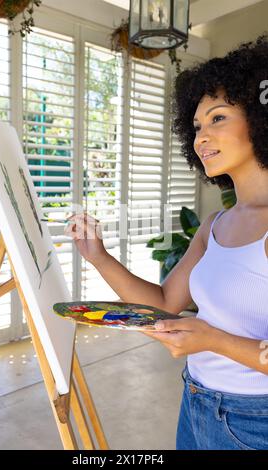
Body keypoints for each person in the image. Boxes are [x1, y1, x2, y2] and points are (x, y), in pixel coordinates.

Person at [65, 34, 268, 450]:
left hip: (252, 421)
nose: (201, 137)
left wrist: (212, 340)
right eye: (196, 127)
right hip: (196, 400)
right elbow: (162, 303)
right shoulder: (215, 224)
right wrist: (98, 257)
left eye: (218, 119)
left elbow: (211, 335)